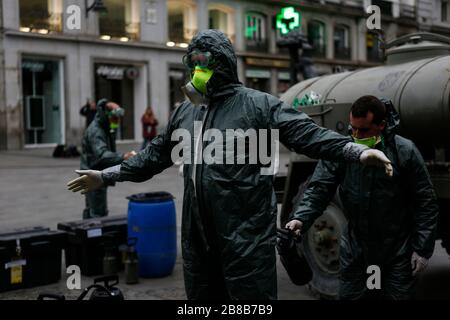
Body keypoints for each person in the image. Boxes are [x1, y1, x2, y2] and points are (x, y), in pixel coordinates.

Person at [68, 30, 392, 300]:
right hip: (198, 243)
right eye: (192, 63)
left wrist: (354, 150)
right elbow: (152, 157)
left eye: (203, 63)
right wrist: (107, 174)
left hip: (247, 243)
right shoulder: (186, 112)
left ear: (221, 64)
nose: (196, 70)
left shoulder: (257, 105)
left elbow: (307, 134)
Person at [286, 96, 439, 300]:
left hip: (397, 251)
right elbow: (319, 187)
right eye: (353, 128)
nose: (356, 135)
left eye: (364, 130)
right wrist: (301, 218)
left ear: (382, 125)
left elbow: (425, 202)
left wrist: (422, 249)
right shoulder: (344, 149)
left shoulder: (404, 152)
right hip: (356, 248)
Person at [79, 98, 136, 219]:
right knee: (98, 213)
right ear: (107, 115)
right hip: (93, 175)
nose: (117, 122)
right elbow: (102, 154)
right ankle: (94, 235)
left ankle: (87, 232)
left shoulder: (104, 126)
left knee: (91, 208)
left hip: (93, 173)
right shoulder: (97, 130)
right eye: (115, 118)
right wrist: (123, 156)